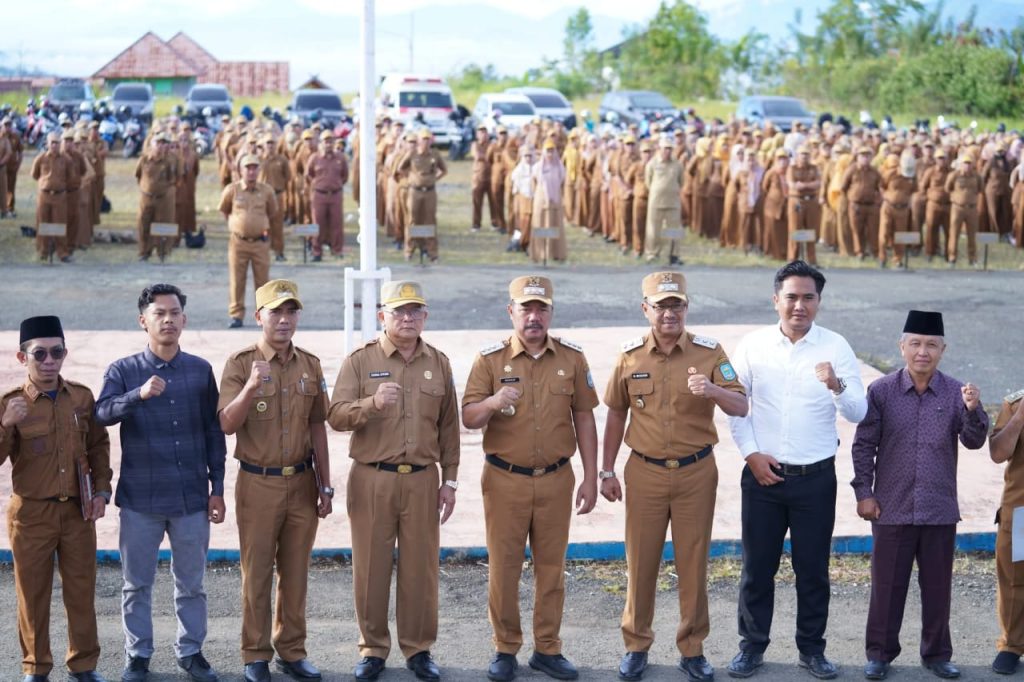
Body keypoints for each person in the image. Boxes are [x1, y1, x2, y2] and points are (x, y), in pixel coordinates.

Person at [601, 272, 748, 682]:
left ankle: (692, 648)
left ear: (687, 307)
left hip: (696, 472)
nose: (669, 313)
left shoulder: (709, 352)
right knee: (641, 561)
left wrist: (713, 392)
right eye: (660, 305)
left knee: (694, 562)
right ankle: (636, 644)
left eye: (676, 305)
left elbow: (740, 405)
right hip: (644, 471)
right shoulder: (630, 356)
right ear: (645, 308)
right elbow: (616, 412)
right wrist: (606, 469)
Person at [726, 260, 867, 680]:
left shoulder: (836, 347)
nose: (799, 305)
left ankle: (812, 649)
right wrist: (751, 454)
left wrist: (836, 384)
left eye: (808, 297)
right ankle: (751, 647)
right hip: (763, 476)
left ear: (819, 302)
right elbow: (737, 408)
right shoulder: (752, 346)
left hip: (815, 480)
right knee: (757, 568)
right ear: (776, 300)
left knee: (812, 569)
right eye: (791, 297)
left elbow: (858, 411)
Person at [462, 276, 599, 682]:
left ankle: (547, 647)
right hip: (505, 479)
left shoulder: (572, 359)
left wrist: (592, 476)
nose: (534, 317)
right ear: (511, 312)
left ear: (551, 312)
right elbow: (469, 417)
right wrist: (492, 401)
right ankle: (505, 647)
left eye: (542, 309)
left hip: (557, 478)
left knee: (551, 567)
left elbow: (585, 417)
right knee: (504, 567)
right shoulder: (490, 360)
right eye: (526, 308)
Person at [328, 280, 460, 682]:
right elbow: (334, 415)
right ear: (382, 316)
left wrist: (449, 481)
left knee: (420, 569)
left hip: (422, 479)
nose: (407, 318)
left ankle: (419, 649)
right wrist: (370, 404)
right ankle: (372, 648)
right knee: (370, 567)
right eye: (398, 311)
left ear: (425, 317)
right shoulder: (360, 361)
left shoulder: (438, 362)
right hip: (373, 478)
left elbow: (449, 428)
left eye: (415, 311)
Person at [94, 284, 227, 682]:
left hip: (190, 499)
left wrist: (216, 488)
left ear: (184, 320)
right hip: (141, 500)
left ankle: (191, 652)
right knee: (136, 585)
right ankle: (138, 655)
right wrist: (138, 394)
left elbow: (212, 433)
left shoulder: (200, 370)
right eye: (159, 313)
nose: (167, 319)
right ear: (143, 321)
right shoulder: (123, 370)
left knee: (192, 584)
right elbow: (101, 414)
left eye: (174, 313)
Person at [851, 310, 987, 681]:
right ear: (902, 347)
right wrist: (864, 492)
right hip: (890, 507)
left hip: (939, 508)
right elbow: (864, 445)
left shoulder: (956, 392)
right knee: (886, 587)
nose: (922, 352)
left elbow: (974, 442)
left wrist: (974, 411)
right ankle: (879, 654)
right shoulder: (881, 392)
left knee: (938, 588)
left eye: (931, 345)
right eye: (915, 344)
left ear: (942, 349)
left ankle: (937, 654)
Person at [217, 279, 333, 682]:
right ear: (258, 316)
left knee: (297, 572)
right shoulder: (240, 362)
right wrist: (250, 386)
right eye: (275, 312)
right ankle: (254, 654)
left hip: (302, 481)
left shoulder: (310, 364)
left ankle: (292, 650)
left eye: (291, 312)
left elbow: (318, 424)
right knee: (258, 573)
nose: (284, 320)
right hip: (258, 483)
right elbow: (227, 424)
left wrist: (326, 483)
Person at [0, 315, 113, 682]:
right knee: (32, 595)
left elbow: (97, 446)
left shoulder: (80, 397)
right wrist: (5, 426)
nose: (49, 360)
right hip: (31, 514)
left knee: (81, 591)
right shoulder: (10, 403)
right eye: (40, 354)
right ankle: (36, 666)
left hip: (78, 512)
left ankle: (83, 665)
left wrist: (101, 490)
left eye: (57, 352)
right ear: (23, 358)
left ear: (65, 353)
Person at [219, 154, 278, 329]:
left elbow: (272, 212)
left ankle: (264, 315)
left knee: (262, 281)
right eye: (248, 168)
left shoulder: (267, 190)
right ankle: (236, 315)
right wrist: (238, 225)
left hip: (260, 242)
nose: (251, 171)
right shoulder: (232, 190)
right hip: (238, 242)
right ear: (240, 170)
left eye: (255, 168)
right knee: (237, 280)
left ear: (259, 170)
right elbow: (224, 210)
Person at [989, 385, 1024, 676]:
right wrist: (1020, 417)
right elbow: (998, 453)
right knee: (1014, 582)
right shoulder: (1014, 403)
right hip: (1022, 511)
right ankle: (1012, 646)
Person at [396, 130, 447, 262]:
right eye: (423, 139)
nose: (425, 142)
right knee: (413, 220)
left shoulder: (435, 154)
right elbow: (400, 168)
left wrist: (434, 179)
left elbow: (444, 170)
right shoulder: (412, 153)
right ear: (419, 141)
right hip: (415, 191)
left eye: (428, 139)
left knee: (429, 221)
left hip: (430, 191)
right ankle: (410, 249)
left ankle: (431, 251)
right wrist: (411, 178)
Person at [135, 132, 179, 262]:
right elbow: (138, 175)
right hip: (146, 198)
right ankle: (144, 251)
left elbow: (175, 178)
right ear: (152, 144)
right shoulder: (144, 159)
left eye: (164, 143)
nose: (161, 146)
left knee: (164, 224)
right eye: (158, 143)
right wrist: (146, 188)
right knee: (143, 223)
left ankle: (163, 252)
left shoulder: (172, 160)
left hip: (164, 198)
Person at [30, 132, 73, 262]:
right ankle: (43, 250)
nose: (54, 145)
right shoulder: (41, 158)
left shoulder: (66, 159)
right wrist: (46, 183)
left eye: (57, 143)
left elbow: (70, 176)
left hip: (59, 196)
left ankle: (62, 252)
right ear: (47, 144)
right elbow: (34, 174)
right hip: (45, 195)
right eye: (52, 143)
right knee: (43, 222)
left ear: (60, 144)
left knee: (59, 223)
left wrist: (59, 185)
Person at [305, 130, 348, 261]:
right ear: (321, 143)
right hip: (319, 194)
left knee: (336, 223)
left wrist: (336, 185)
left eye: (330, 141)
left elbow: (345, 176)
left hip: (335, 194)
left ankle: (337, 250)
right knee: (318, 224)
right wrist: (318, 185)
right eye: (325, 141)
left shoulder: (340, 158)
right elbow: (308, 175)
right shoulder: (315, 158)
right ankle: (317, 251)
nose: (328, 144)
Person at [644, 137, 685, 263]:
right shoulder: (652, 163)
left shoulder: (677, 164)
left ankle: (674, 254)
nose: (668, 151)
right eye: (665, 148)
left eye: (670, 148)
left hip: (673, 202)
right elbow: (648, 182)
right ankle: (652, 253)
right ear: (659, 149)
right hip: (656, 201)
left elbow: (681, 181)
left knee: (674, 230)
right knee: (653, 229)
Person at [529, 140, 567, 263]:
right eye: (548, 151)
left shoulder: (559, 167)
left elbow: (562, 182)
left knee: (554, 226)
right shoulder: (537, 168)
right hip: (541, 201)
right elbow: (533, 184)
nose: (550, 154)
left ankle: (554, 252)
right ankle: (540, 253)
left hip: (555, 201)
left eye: (552, 151)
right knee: (540, 225)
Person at [786, 146, 822, 264]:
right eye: (802, 154)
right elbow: (792, 184)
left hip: (811, 201)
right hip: (797, 201)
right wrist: (808, 185)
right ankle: (793, 259)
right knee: (795, 230)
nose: (804, 157)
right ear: (797, 156)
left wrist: (804, 185)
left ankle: (812, 260)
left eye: (806, 154)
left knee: (810, 231)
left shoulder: (814, 168)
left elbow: (818, 183)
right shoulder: (792, 168)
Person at [945, 153, 982, 267]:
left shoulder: (977, 176)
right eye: (965, 163)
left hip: (971, 208)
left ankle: (972, 258)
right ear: (960, 165)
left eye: (969, 163)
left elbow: (980, 189)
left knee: (972, 235)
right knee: (954, 233)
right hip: (957, 208)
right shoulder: (954, 175)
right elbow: (947, 188)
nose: (967, 166)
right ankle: (952, 257)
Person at [471, 124, 497, 232]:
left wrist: (485, 156)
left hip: (491, 177)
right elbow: (477, 156)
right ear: (477, 134)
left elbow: (494, 157)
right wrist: (487, 156)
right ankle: (476, 224)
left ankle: (495, 223)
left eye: (485, 132)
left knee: (494, 202)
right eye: (481, 132)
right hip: (478, 178)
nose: (483, 134)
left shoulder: (492, 145)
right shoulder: (475, 144)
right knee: (477, 202)